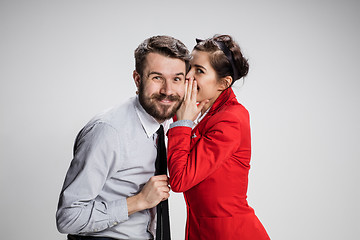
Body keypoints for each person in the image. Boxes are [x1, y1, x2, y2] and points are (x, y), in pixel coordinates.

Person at [56, 35, 190, 240]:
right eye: (157, 77)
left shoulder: (163, 125)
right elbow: (68, 218)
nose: (168, 90)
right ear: (137, 80)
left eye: (177, 79)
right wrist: (139, 201)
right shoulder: (109, 132)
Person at [167, 35, 270, 239]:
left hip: (231, 234)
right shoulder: (202, 110)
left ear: (223, 83)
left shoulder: (232, 119)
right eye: (190, 67)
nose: (188, 77)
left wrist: (182, 123)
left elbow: (179, 180)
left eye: (199, 71)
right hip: (201, 231)